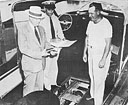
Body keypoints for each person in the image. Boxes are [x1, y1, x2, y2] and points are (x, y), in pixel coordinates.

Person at [17, 6, 54, 96]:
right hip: (30, 66)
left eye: (40, 19)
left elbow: (45, 43)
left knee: (39, 90)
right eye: (37, 19)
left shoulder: (41, 29)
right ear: (31, 17)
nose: (39, 21)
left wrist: (51, 50)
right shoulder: (22, 29)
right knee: (29, 91)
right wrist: (40, 54)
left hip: (41, 65)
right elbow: (23, 49)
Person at [83, 2, 112, 105]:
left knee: (99, 80)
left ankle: (98, 102)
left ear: (98, 12)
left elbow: (108, 44)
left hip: (101, 54)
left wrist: (103, 59)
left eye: (92, 13)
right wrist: (84, 53)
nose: (90, 15)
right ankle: (93, 95)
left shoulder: (106, 24)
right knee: (92, 76)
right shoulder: (90, 23)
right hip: (91, 53)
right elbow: (87, 38)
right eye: (89, 13)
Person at [40, 0, 65, 90]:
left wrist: (63, 40)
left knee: (54, 66)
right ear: (45, 8)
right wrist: (50, 41)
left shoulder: (55, 18)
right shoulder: (41, 19)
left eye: (52, 10)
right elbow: (41, 36)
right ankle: (47, 87)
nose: (51, 12)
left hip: (56, 46)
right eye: (49, 10)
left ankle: (53, 83)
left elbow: (59, 31)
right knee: (47, 67)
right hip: (47, 46)